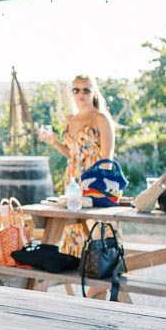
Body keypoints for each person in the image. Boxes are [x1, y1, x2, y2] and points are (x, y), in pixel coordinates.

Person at [37, 74, 116, 258]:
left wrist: (99, 188)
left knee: (97, 230)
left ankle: (103, 274)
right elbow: (72, 154)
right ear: (72, 93)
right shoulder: (70, 119)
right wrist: (54, 142)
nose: (81, 94)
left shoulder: (101, 118)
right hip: (73, 180)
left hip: (95, 180)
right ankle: (88, 275)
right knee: (76, 229)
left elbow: (107, 157)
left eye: (86, 90)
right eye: (76, 90)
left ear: (94, 92)